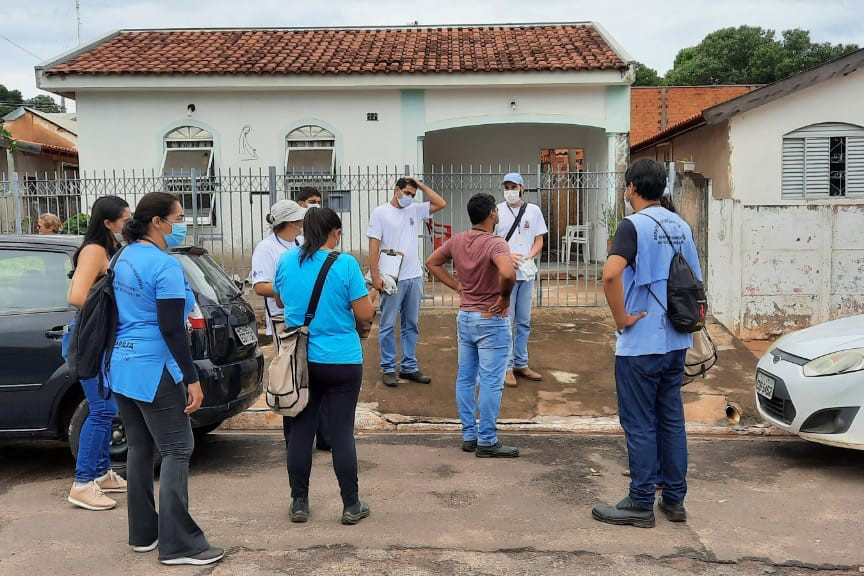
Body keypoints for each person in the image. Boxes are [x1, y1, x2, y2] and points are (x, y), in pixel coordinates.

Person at [109, 192, 224, 566]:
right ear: (158, 222)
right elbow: (172, 328)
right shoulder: (166, 265)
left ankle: (144, 534)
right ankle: (179, 545)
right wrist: (192, 378)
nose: (182, 223)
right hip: (154, 365)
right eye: (177, 217)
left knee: (141, 446)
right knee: (177, 448)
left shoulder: (122, 256)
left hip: (123, 364)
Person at [591, 159, 702, 528]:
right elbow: (694, 284)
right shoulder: (681, 225)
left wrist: (621, 318)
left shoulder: (632, 225)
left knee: (639, 422)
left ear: (633, 188)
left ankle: (640, 501)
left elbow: (610, 275)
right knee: (670, 420)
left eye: (627, 186)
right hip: (675, 341)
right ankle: (673, 499)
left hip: (640, 343)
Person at [273, 207, 377, 525]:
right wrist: (371, 295)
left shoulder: (287, 260)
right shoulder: (344, 263)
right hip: (342, 360)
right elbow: (365, 315)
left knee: (301, 431)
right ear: (333, 232)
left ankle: (299, 503)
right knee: (342, 432)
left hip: (302, 360)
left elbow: (280, 300)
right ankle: (351, 504)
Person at [426, 193, 519, 458]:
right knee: (491, 381)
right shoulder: (496, 243)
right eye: (496, 211)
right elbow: (508, 273)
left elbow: (432, 262)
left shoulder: (458, 240)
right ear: (492, 214)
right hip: (491, 320)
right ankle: (487, 440)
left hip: (465, 316)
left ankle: (469, 435)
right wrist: (503, 297)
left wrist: (457, 285)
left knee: (466, 378)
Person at [65, 196, 131, 511]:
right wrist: (110, 313)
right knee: (102, 409)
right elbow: (77, 295)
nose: (128, 224)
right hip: (90, 340)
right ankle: (82, 484)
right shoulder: (94, 251)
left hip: (100, 341)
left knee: (108, 406)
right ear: (108, 223)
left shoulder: (109, 249)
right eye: (124, 219)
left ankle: (103, 473)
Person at [251, 200, 331, 458]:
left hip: (308, 317)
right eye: (298, 220)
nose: (301, 224)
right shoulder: (266, 248)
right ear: (290, 223)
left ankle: (323, 434)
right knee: (293, 376)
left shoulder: (299, 245)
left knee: (315, 374)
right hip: (283, 320)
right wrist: (286, 292)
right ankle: (294, 438)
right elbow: (259, 286)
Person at [367, 177, 446, 387]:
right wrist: (375, 276)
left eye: (413, 194)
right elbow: (374, 246)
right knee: (388, 323)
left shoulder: (415, 210)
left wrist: (421, 186)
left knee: (411, 324)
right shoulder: (380, 213)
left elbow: (441, 203)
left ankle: (409, 366)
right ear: (397, 190)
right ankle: (388, 368)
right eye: (407, 193)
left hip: (413, 276)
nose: (410, 197)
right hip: (391, 278)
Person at [494, 172, 548, 387]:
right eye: (507, 186)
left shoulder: (533, 210)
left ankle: (521, 363)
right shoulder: (497, 210)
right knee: (506, 320)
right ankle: (506, 368)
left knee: (524, 321)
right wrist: (507, 256)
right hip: (506, 272)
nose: (510, 191)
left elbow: (539, 239)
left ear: (522, 188)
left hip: (526, 271)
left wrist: (529, 256)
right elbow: (492, 240)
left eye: (514, 186)